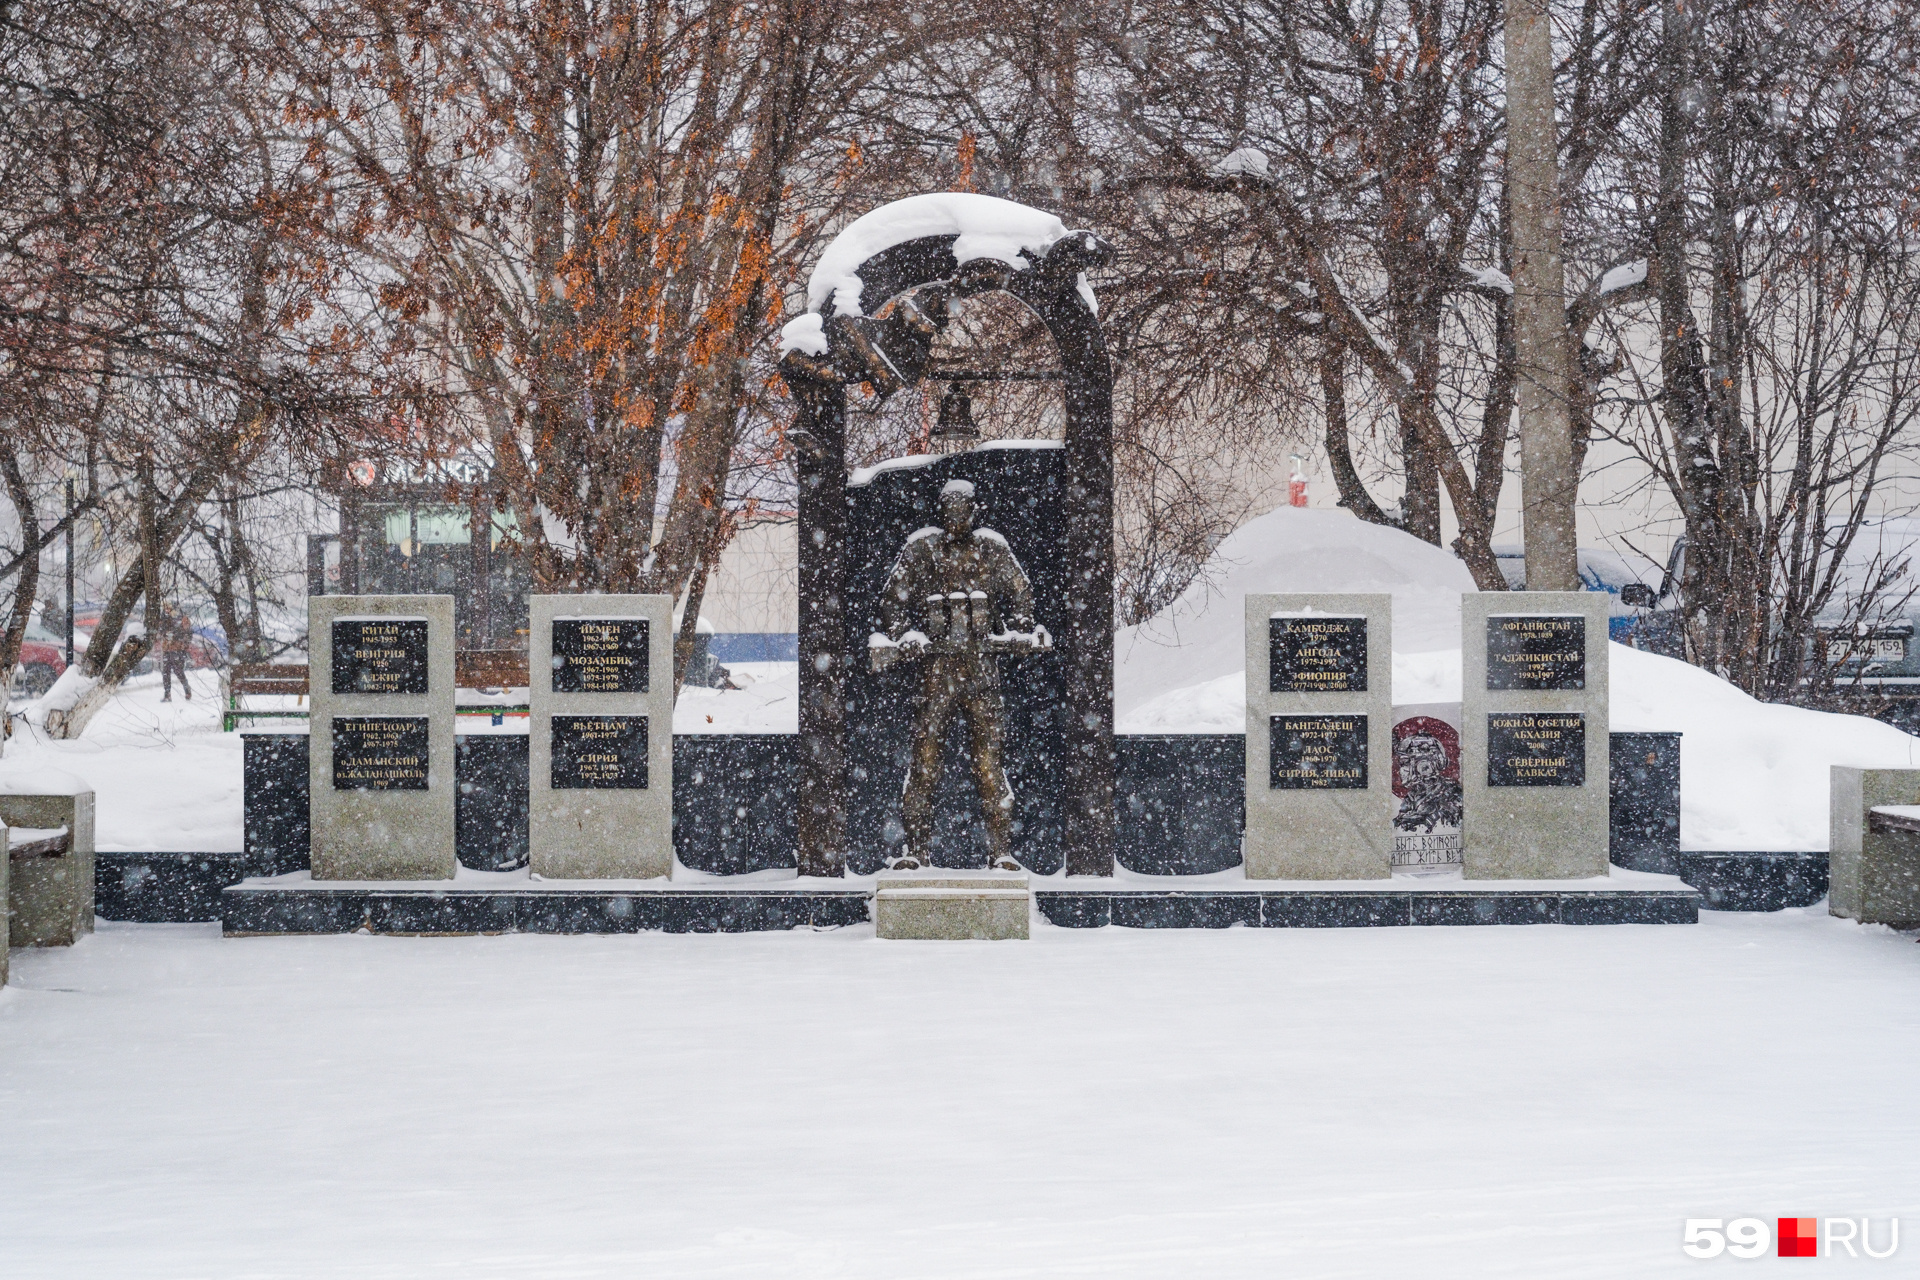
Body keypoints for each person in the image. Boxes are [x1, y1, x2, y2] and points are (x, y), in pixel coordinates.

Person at [870, 479, 1047, 872]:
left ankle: (1000, 851)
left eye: (961, 509)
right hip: (936, 673)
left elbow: (1021, 591)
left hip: (982, 671)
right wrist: (904, 635)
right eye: (948, 510)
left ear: (973, 511)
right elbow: (892, 598)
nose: (955, 517)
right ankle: (916, 850)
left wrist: (1020, 627)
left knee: (989, 764)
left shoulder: (991, 547)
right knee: (925, 761)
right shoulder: (923, 548)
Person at [157, 605, 193, 702]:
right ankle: (167, 694)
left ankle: (187, 689)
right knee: (166, 672)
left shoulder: (180, 618)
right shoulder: (163, 620)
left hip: (177, 650)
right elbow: (160, 631)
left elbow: (187, 632)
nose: (167, 610)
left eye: (169, 608)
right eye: (165, 609)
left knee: (179, 672)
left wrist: (177, 637)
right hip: (167, 649)